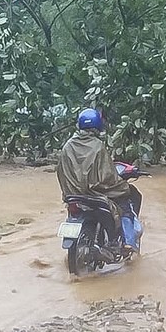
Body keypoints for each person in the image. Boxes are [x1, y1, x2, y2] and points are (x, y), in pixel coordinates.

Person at [56, 108, 140, 253]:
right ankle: (128, 241)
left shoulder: (67, 145)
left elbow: (60, 171)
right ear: (98, 125)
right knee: (125, 201)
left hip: (72, 194)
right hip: (94, 194)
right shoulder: (98, 146)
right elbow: (107, 176)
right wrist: (120, 183)